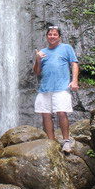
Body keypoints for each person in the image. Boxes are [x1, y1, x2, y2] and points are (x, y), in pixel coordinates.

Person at [33, 25, 79, 153]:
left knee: (61, 112)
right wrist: (37, 59)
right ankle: (51, 142)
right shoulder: (42, 52)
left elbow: (74, 64)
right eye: (50, 34)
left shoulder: (66, 48)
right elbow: (37, 72)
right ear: (47, 36)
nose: (52, 36)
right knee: (45, 115)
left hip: (61, 87)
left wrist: (74, 80)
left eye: (55, 34)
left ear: (59, 37)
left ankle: (66, 141)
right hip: (45, 88)